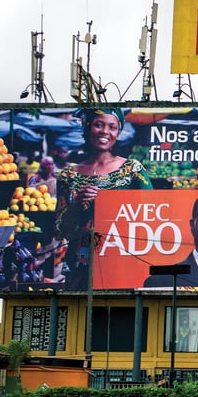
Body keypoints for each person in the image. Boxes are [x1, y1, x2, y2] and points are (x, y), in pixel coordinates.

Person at [55, 108, 152, 290]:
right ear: (88, 126)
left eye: (112, 127)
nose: (105, 132)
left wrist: (108, 202)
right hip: (80, 265)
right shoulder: (68, 175)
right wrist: (77, 204)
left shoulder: (132, 170)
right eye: (99, 125)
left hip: (121, 262)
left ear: (118, 133)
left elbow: (150, 216)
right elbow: (61, 230)